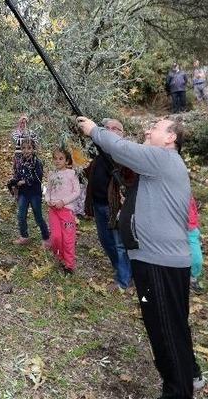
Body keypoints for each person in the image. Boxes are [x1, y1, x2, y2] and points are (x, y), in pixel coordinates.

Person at [78, 116, 202, 398]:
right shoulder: (158, 168)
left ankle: (178, 390)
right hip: (157, 261)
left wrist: (94, 131)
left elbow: (122, 149)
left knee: (165, 333)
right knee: (171, 327)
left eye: (155, 127)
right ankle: (189, 375)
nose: (148, 130)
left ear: (171, 138)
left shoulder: (164, 159)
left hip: (159, 263)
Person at [83, 118, 133, 290]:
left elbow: (131, 182)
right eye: (106, 128)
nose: (110, 131)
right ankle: (121, 268)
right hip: (98, 205)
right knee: (105, 241)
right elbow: (87, 173)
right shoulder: (99, 156)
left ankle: (124, 280)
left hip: (116, 208)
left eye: (115, 128)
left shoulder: (125, 156)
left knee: (120, 244)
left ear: (122, 134)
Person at [45, 147, 82, 273]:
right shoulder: (52, 175)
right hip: (53, 210)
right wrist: (48, 200)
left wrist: (63, 202)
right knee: (56, 237)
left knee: (68, 238)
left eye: (61, 158)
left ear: (66, 161)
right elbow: (48, 190)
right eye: (55, 158)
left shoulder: (72, 174)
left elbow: (77, 191)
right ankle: (59, 256)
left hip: (67, 212)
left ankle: (69, 265)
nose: (57, 161)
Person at [12, 139, 49, 246]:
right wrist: (14, 184)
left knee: (38, 216)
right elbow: (17, 175)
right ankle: (24, 236)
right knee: (21, 215)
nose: (26, 151)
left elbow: (38, 177)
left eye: (29, 148)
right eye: (23, 148)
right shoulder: (20, 161)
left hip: (34, 194)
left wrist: (25, 181)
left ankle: (46, 237)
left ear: (33, 149)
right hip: (23, 193)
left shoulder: (37, 162)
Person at [187, 196, 204, 292]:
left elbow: (194, 211)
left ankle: (193, 278)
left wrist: (197, 225)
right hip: (174, 228)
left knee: (197, 259)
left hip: (191, 229)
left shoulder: (189, 194)